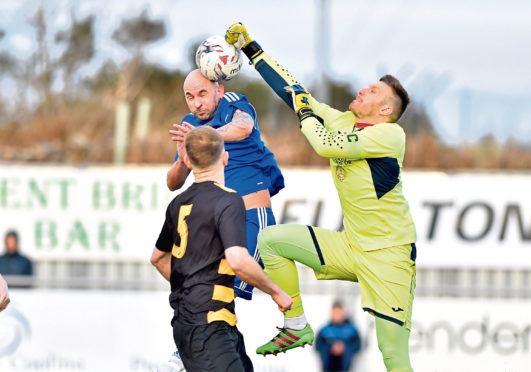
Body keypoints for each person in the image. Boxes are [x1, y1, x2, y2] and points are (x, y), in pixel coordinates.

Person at [225, 23, 417, 372]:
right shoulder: (344, 120)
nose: (362, 89)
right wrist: (253, 49)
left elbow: (323, 142)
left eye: (373, 91)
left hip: (389, 255)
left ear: (385, 110)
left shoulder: (391, 135)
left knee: (394, 356)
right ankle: (296, 324)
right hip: (351, 246)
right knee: (271, 240)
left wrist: (306, 111)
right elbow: (296, 93)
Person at [151, 126, 292, 372]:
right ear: (225, 158)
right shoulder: (229, 199)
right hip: (208, 325)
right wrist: (276, 292)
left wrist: (190, 289)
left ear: (187, 160)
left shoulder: (177, 203)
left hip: (194, 323)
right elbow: (237, 259)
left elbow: (158, 258)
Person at [167, 69, 284, 301]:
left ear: (218, 90)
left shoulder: (232, 103)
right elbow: (173, 183)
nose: (197, 103)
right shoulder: (189, 124)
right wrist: (182, 159)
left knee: (229, 292)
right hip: (218, 223)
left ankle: (294, 320)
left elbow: (244, 126)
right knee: (211, 294)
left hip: (251, 217)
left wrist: (205, 134)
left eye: (202, 94)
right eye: (190, 97)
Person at [315, 301, 361, 372]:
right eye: (335, 313)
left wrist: (344, 347)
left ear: (343, 313)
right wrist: (331, 347)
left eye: (339, 313)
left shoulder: (352, 330)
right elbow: (317, 346)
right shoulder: (324, 330)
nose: (337, 315)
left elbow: (358, 345)